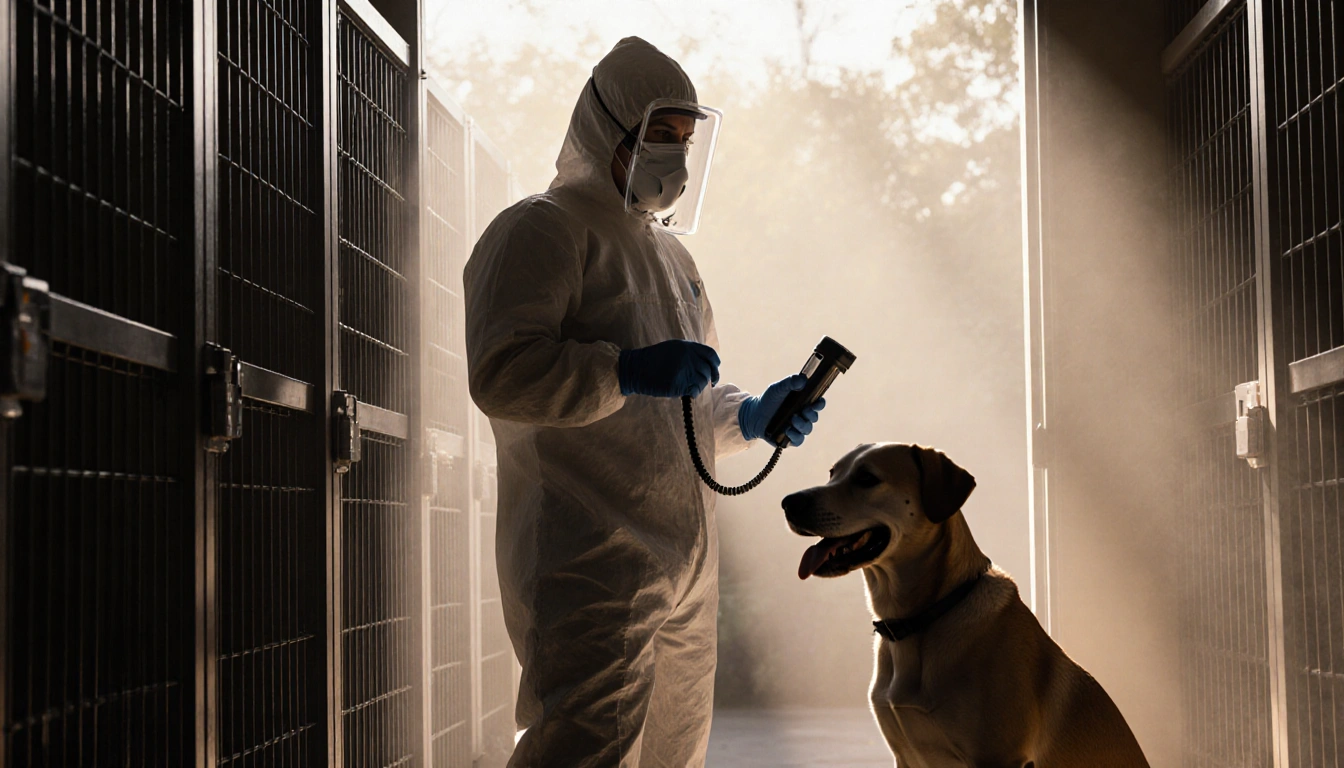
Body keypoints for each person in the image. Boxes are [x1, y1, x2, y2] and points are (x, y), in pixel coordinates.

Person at [464, 36, 825, 767]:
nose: (676, 157)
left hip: (685, 565)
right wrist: (623, 370)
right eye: (661, 133)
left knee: (675, 752)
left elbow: (683, 408)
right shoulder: (541, 228)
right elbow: (503, 374)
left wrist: (750, 416)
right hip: (587, 556)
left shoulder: (672, 257)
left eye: (685, 140)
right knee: (580, 749)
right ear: (608, 128)